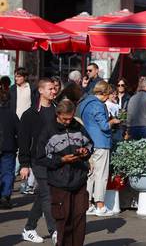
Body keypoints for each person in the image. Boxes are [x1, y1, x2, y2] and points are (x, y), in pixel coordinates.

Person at [37, 99, 93, 246]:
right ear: (58, 114)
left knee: (79, 218)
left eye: (71, 118)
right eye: (65, 119)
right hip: (59, 182)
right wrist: (61, 160)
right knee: (64, 219)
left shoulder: (77, 126)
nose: (68, 121)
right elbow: (41, 157)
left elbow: (89, 144)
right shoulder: (48, 130)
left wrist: (85, 152)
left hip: (79, 179)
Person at [19, 78, 57, 244]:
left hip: (55, 159)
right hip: (37, 159)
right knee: (48, 194)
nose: (53, 91)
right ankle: (54, 230)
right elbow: (23, 140)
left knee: (43, 194)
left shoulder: (57, 111)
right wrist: (24, 164)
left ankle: (29, 228)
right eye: (50, 89)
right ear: (41, 90)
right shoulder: (30, 114)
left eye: (55, 89)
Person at [78, 81, 120, 217]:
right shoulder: (98, 105)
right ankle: (100, 205)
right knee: (101, 175)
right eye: (107, 95)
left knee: (90, 174)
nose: (107, 98)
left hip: (88, 142)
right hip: (101, 142)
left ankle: (88, 204)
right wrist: (113, 121)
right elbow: (104, 126)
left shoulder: (85, 102)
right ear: (102, 93)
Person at [0, 89, 19, 209]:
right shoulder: (11, 114)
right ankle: (5, 197)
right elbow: (19, 130)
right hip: (9, 146)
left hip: (8, 147)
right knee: (7, 173)